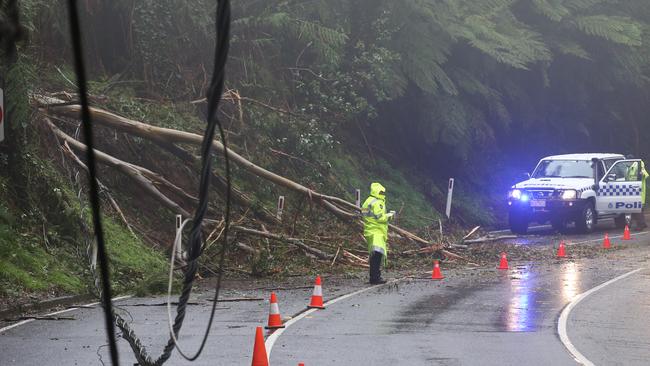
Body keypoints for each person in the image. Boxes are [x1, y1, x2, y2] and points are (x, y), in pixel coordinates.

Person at [361, 182, 394, 284]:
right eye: (382, 192)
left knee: (374, 255)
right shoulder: (378, 202)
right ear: (378, 192)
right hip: (377, 232)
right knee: (377, 256)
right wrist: (391, 215)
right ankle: (375, 278)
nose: (383, 194)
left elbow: (364, 214)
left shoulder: (367, 201)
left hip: (369, 231)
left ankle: (373, 277)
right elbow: (380, 218)